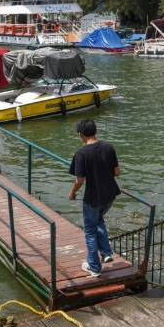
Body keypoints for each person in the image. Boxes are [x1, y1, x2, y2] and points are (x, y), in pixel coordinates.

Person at [67, 119, 120, 278]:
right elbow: (117, 172)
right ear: (95, 131)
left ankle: (94, 267)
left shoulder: (81, 154)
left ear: (80, 134)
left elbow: (80, 180)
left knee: (90, 231)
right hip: (110, 195)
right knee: (98, 220)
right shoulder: (108, 147)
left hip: (93, 198)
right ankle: (106, 252)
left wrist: (72, 193)